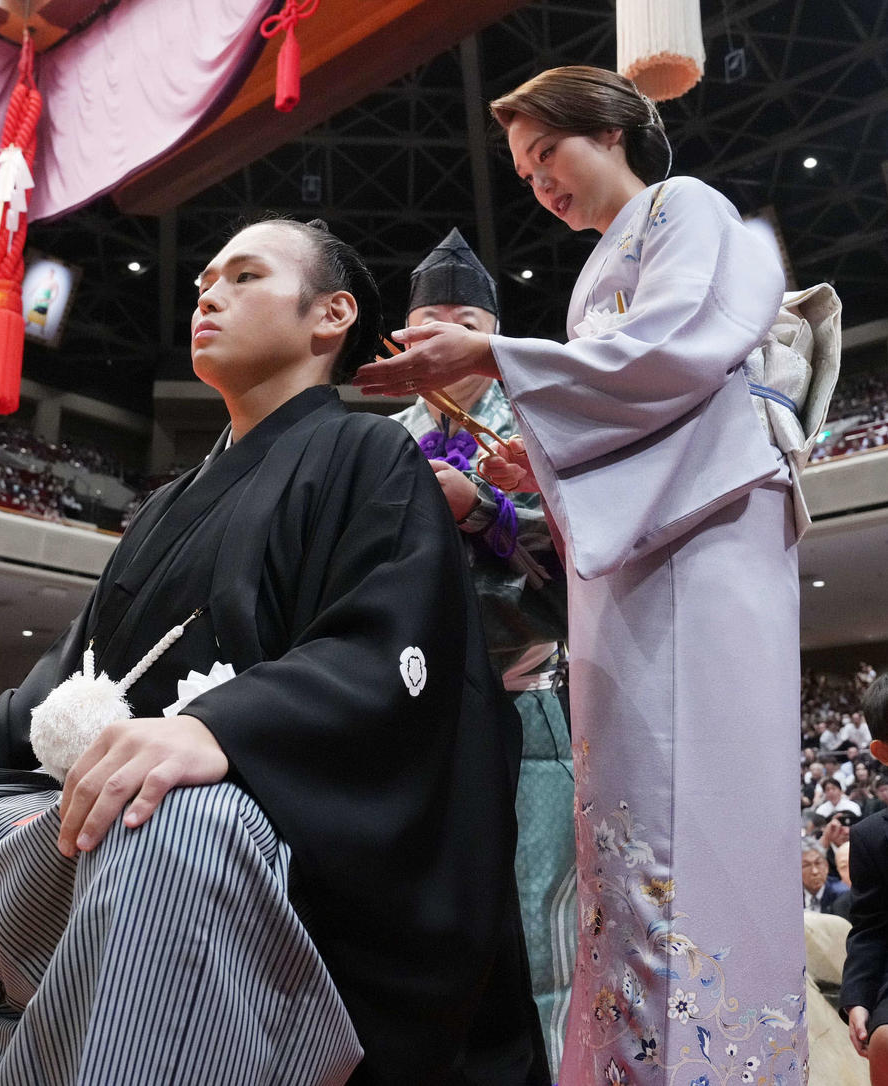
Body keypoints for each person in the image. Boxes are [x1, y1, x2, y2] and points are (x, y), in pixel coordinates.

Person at [0, 218, 541, 1086]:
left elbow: (388, 647)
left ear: (331, 316)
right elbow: (68, 680)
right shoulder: (167, 504)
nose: (207, 298)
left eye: (244, 277)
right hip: (96, 809)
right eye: (203, 283)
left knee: (170, 825)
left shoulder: (372, 455)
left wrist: (223, 729)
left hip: (265, 831)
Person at [353, 65, 807, 1082]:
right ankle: (634, 1058)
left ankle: (715, 1059)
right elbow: (619, 402)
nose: (539, 184)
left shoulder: (683, 208)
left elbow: (677, 349)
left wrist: (497, 362)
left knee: (704, 797)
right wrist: (542, 465)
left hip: (706, 525)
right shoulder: (595, 268)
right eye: (524, 174)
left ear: (607, 131)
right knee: (631, 813)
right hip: (632, 551)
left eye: (546, 154)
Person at [389, 228, 574, 1069]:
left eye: (465, 323)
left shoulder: (543, 423)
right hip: (414, 717)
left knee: (538, 919)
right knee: (421, 919)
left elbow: (588, 550)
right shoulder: (384, 439)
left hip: (525, 698)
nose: (443, 337)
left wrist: (485, 509)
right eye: (427, 322)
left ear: (495, 337)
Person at [842, 673, 888, 1078]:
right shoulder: (870, 837)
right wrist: (857, 997)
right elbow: (871, 928)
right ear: (882, 752)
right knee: (886, 1040)